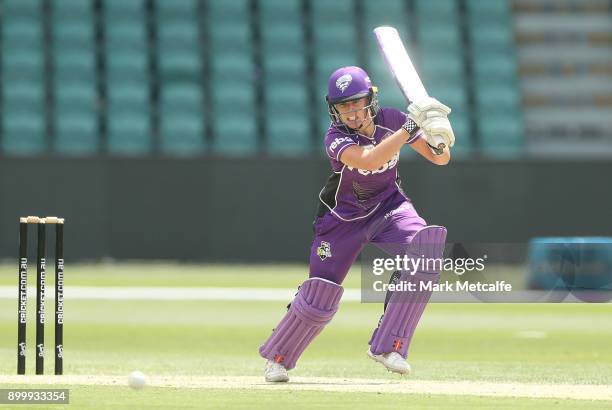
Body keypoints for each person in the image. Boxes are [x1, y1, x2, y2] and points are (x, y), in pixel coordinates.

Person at [259, 66, 454, 382]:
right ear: (333, 108)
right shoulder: (335, 137)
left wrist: (440, 133)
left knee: (425, 250)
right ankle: (278, 358)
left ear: (370, 98)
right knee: (319, 297)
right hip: (341, 221)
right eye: (343, 105)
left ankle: (389, 346)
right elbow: (369, 160)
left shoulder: (391, 119)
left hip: (389, 207)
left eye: (356, 102)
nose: (351, 111)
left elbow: (439, 158)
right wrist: (411, 128)